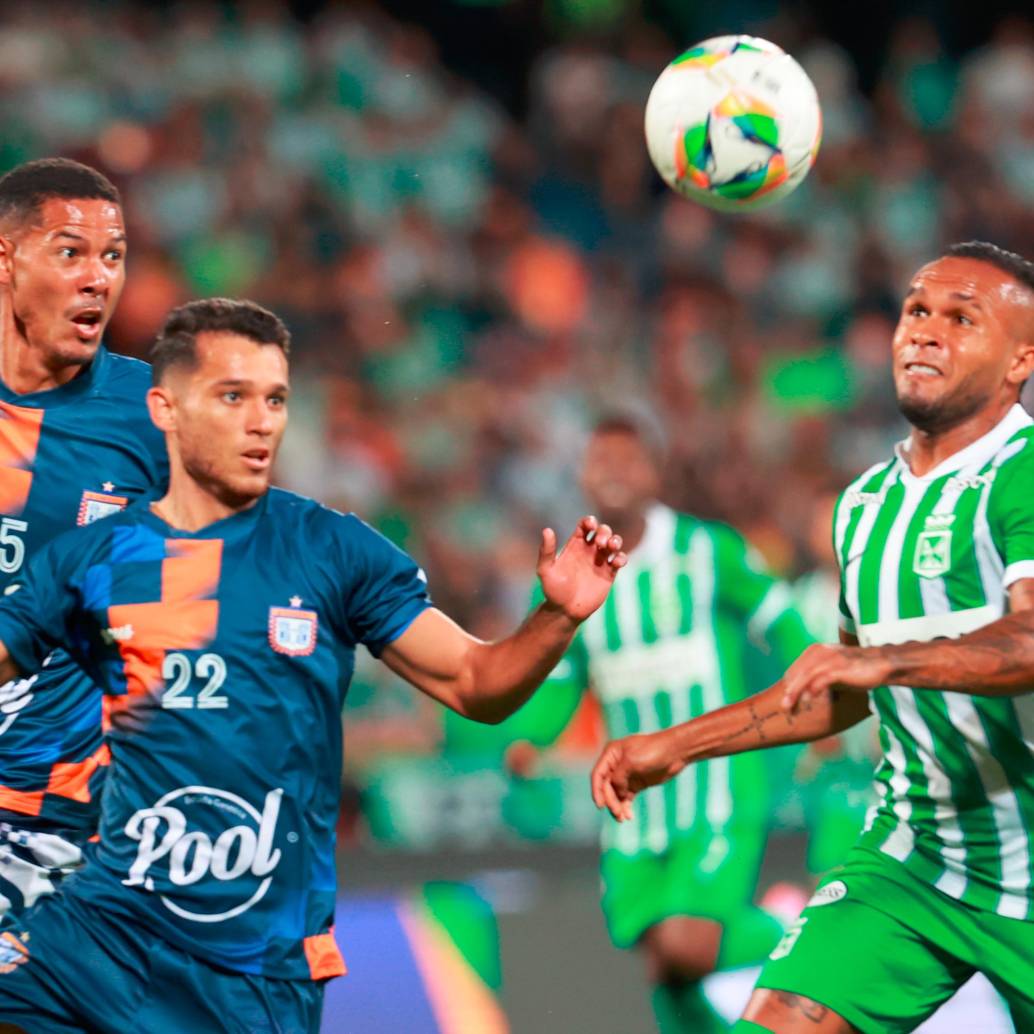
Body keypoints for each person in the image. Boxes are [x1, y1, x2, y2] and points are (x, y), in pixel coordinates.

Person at [0, 297, 627, 1033]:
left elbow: (475, 684)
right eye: (232, 396)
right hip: (100, 937)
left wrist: (557, 616)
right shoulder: (89, 562)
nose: (261, 420)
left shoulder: (330, 552)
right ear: (164, 409)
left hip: (253, 969)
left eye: (275, 399)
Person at [591, 241, 1034, 1034]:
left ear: (1019, 362)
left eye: (962, 319)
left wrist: (880, 661)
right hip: (914, 860)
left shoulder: (1023, 473)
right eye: (917, 310)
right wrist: (679, 745)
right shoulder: (864, 505)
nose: (926, 332)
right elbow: (835, 694)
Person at [502, 413, 813, 1034]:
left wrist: (816, 699)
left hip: (715, 787)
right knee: (663, 969)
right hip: (633, 799)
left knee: (685, 947)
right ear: (584, 474)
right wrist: (529, 738)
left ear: (654, 471)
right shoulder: (581, 575)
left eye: (628, 458)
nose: (614, 471)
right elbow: (567, 676)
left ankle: (789, 921)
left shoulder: (705, 549)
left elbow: (780, 619)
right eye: (601, 459)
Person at [0, 158, 166, 914]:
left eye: (113, 255)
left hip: (61, 821)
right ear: (7, 259)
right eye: (71, 252)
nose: (99, 277)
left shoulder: (154, 417)